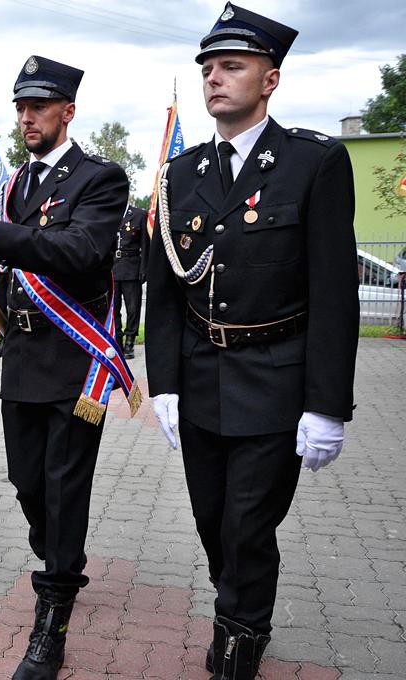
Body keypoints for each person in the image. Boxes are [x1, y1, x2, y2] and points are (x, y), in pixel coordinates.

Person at [144, 5, 359, 679]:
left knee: (247, 526)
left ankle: (240, 639)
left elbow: (333, 293)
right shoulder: (180, 175)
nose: (214, 79)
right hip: (202, 377)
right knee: (213, 524)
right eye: (207, 67)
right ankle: (235, 604)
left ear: (270, 79)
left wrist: (327, 405)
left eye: (231, 66)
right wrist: (165, 384)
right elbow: (165, 292)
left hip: (276, 377)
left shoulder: (313, 162)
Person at [0, 56, 128, 680]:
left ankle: (52, 622)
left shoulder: (101, 178)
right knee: (28, 482)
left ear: (67, 112)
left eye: (38, 107)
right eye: (21, 107)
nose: (26, 118)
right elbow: (11, 262)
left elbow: (81, 250)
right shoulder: (17, 184)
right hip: (21, 358)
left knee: (65, 484)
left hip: (78, 364)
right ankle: (59, 558)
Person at [112, 200, 148, 359]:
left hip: (131, 268)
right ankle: (117, 340)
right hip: (112, 268)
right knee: (114, 308)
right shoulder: (109, 214)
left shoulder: (139, 215)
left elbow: (146, 245)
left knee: (133, 308)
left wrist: (144, 268)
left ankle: (130, 342)